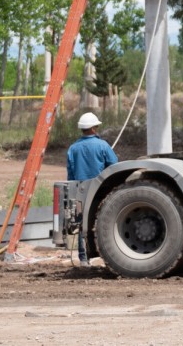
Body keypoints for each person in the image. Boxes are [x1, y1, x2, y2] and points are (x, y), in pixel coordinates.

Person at [65, 112, 119, 264]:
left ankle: (83, 259)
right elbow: (114, 166)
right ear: (94, 129)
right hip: (101, 190)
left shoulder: (73, 148)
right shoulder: (103, 145)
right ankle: (106, 256)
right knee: (104, 221)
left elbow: (70, 173)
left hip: (81, 191)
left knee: (83, 223)